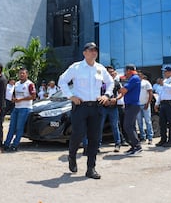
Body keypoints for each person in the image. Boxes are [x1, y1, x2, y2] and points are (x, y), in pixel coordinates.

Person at [58, 42, 114, 179]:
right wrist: (71, 96)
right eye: (91, 50)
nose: (94, 52)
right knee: (77, 134)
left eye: (95, 50)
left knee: (94, 138)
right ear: (84, 53)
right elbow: (62, 81)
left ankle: (91, 168)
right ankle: (72, 156)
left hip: (96, 107)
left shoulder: (100, 68)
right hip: (80, 107)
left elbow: (110, 82)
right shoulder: (76, 67)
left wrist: (107, 95)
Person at [4, 68, 36, 151]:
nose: (21, 75)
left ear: (27, 74)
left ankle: (15, 145)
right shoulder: (17, 84)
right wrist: (13, 98)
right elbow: (14, 94)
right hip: (16, 107)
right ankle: (6, 144)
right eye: (20, 73)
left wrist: (21, 100)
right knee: (12, 127)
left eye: (23, 73)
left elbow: (33, 96)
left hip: (25, 108)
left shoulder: (30, 84)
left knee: (19, 127)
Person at [117, 64, 142, 155]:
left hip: (133, 105)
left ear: (128, 70)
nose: (125, 73)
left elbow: (123, 91)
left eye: (125, 71)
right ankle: (133, 146)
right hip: (130, 105)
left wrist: (119, 88)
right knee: (130, 126)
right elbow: (124, 92)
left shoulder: (134, 78)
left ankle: (137, 146)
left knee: (127, 126)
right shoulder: (132, 78)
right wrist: (116, 98)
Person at [97, 66, 121, 153]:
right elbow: (96, 94)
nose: (111, 73)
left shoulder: (116, 83)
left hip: (113, 108)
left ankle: (117, 144)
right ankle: (97, 145)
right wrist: (103, 100)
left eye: (112, 72)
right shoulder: (100, 83)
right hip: (102, 107)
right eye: (109, 72)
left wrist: (116, 99)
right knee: (99, 127)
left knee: (114, 126)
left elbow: (121, 92)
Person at [155, 66, 171, 147]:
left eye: (165, 72)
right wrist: (157, 103)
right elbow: (161, 93)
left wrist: (164, 85)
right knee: (162, 123)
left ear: (170, 72)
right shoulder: (165, 81)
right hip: (163, 103)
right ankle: (163, 139)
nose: (164, 73)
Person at [136, 72, 154, 144]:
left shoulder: (146, 83)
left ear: (142, 76)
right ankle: (142, 137)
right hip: (137, 105)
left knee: (148, 121)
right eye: (138, 75)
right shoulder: (136, 83)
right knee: (139, 122)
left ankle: (150, 137)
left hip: (145, 104)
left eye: (140, 75)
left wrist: (148, 103)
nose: (139, 76)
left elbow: (150, 93)